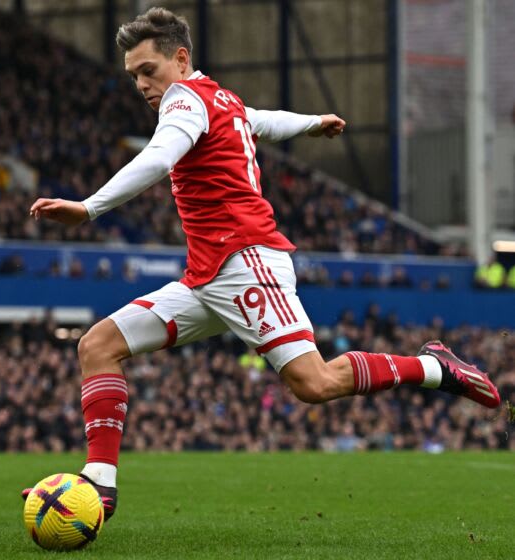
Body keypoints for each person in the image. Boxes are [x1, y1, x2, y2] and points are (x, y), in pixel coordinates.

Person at [27, 7, 501, 520]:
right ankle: (99, 485)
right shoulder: (220, 100)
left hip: (246, 262)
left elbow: (160, 157)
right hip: (207, 277)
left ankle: (434, 367)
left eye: (148, 70)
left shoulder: (183, 100)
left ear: (181, 59)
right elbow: (264, 121)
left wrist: (89, 207)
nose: (141, 84)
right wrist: (313, 123)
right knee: (97, 345)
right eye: (133, 75)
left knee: (315, 383)